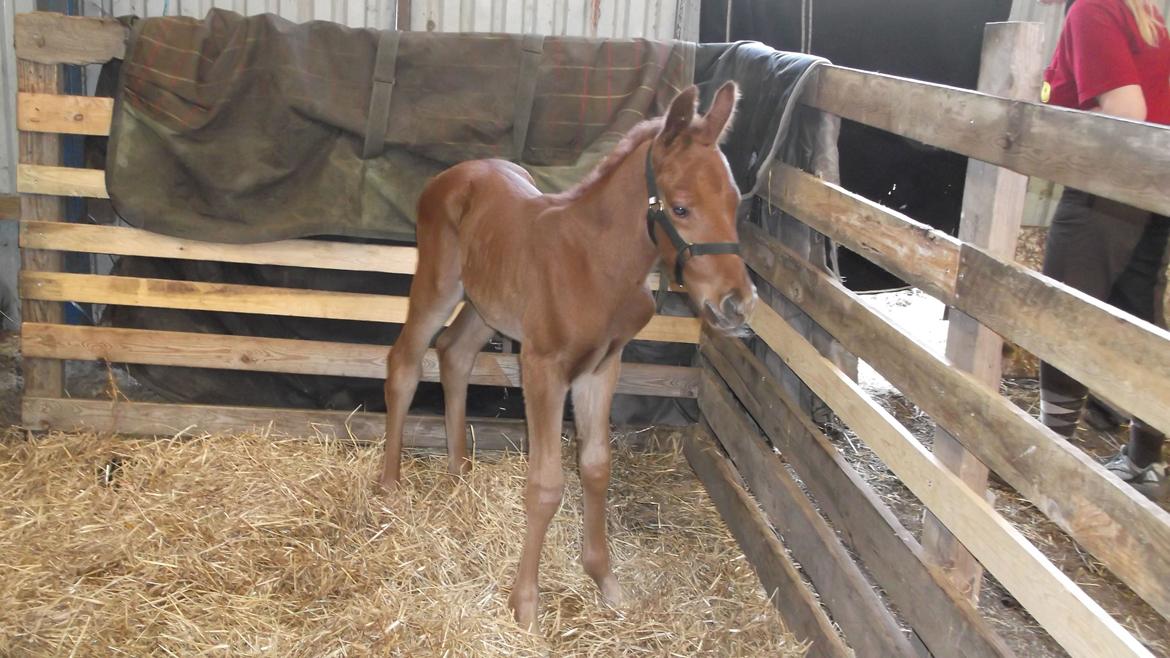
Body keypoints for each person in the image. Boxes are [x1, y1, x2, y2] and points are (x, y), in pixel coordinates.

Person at [1038, 0, 1170, 498]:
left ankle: (1050, 455)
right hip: (1154, 186)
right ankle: (1143, 459)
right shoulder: (1140, 11)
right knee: (1139, 319)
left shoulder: (1093, 8)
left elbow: (1126, 112)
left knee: (1061, 311)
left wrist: (1061, 120)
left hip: (1106, 181)